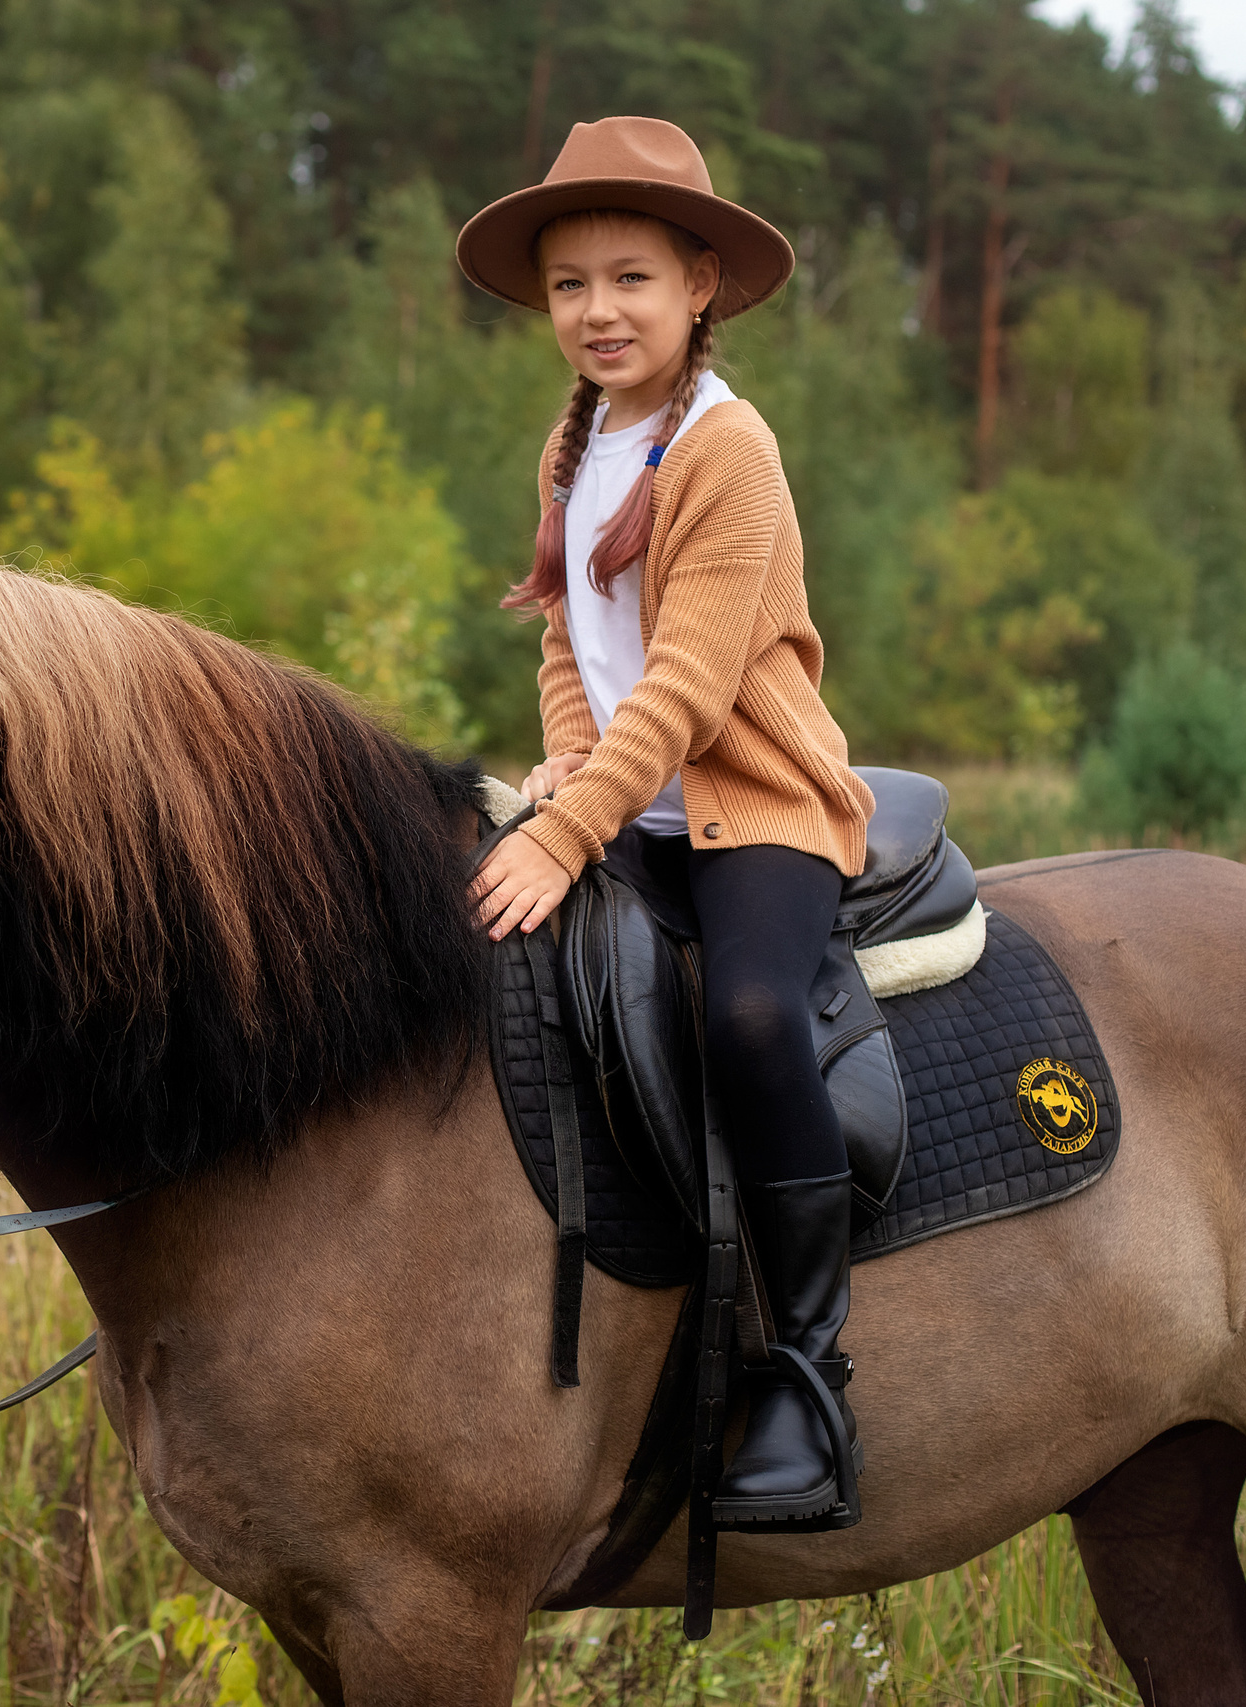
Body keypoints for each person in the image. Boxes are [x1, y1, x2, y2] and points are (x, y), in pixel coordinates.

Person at [457, 117, 879, 1530]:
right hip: (623, 802)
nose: (597, 311)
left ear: (701, 284)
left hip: (750, 804)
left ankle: (810, 1370)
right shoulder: (574, 444)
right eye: (570, 285)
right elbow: (573, 648)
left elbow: (692, 684)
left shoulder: (726, 450)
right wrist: (571, 781)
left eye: (630, 278)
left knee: (751, 1016)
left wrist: (567, 832)